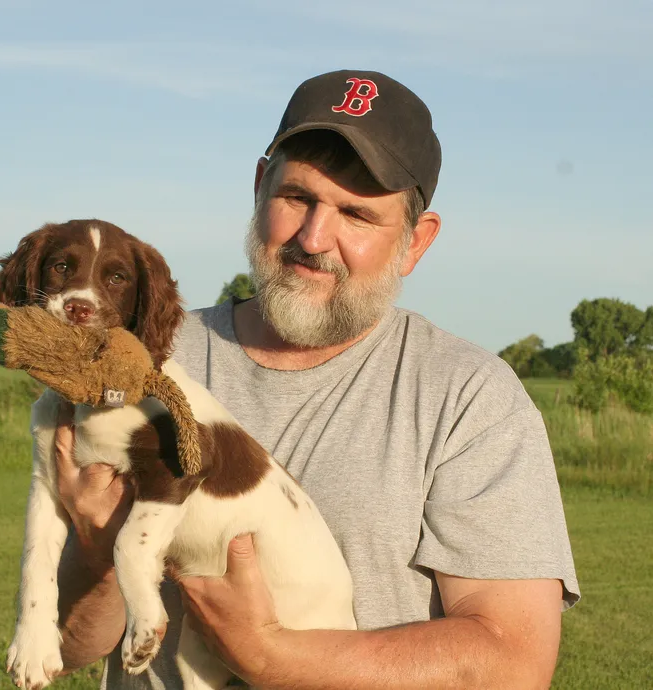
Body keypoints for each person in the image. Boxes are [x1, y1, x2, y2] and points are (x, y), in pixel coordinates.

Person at [54, 70, 580, 689]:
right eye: (298, 197)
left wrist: (269, 656)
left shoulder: (468, 398)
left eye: (357, 214)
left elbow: (512, 665)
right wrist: (101, 556)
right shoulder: (146, 359)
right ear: (258, 188)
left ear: (417, 242)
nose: (313, 238)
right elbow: (70, 649)